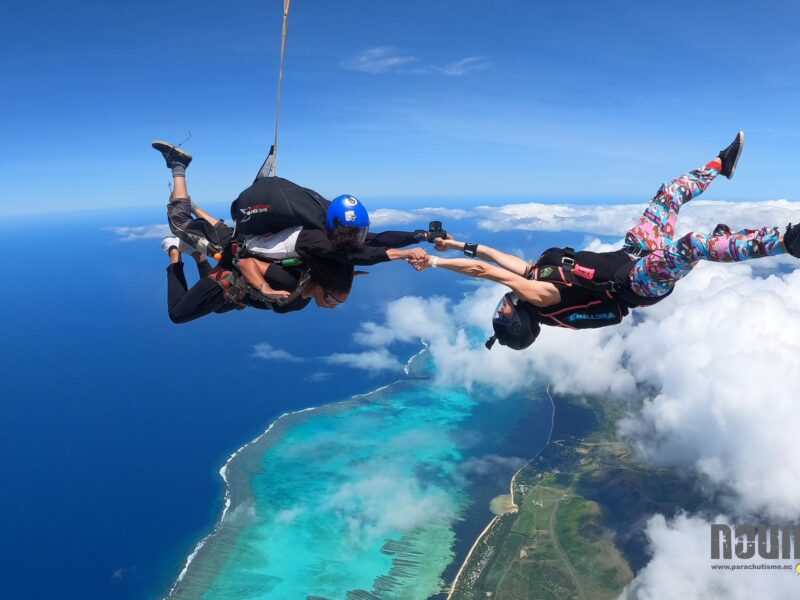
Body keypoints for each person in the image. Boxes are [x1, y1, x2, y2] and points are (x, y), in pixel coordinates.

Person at [415, 132, 800, 350]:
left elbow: (495, 257)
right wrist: (433, 263)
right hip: (639, 281)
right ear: (521, 320)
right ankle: (786, 241)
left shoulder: (538, 278)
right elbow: (487, 271)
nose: (501, 309)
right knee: (692, 244)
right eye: (503, 317)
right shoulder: (543, 300)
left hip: (634, 252)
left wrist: (455, 244)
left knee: (668, 195)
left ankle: (720, 166)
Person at [152, 142, 365, 323]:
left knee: (215, 305)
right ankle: (178, 167)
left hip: (238, 267)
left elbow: (229, 232)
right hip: (230, 274)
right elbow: (246, 263)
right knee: (178, 313)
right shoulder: (291, 283)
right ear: (322, 288)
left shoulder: (305, 290)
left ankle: (197, 248)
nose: (332, 307)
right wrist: (263, 288)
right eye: (333, 301)